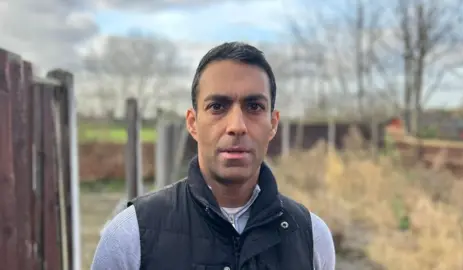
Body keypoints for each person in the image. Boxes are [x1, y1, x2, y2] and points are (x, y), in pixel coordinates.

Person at [91, 41, 335, 270]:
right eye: (218, 106)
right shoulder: (130, 236)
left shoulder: (311, 237)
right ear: (193, 123)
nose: (236, 126)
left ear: (273, 124)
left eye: (254, 107)